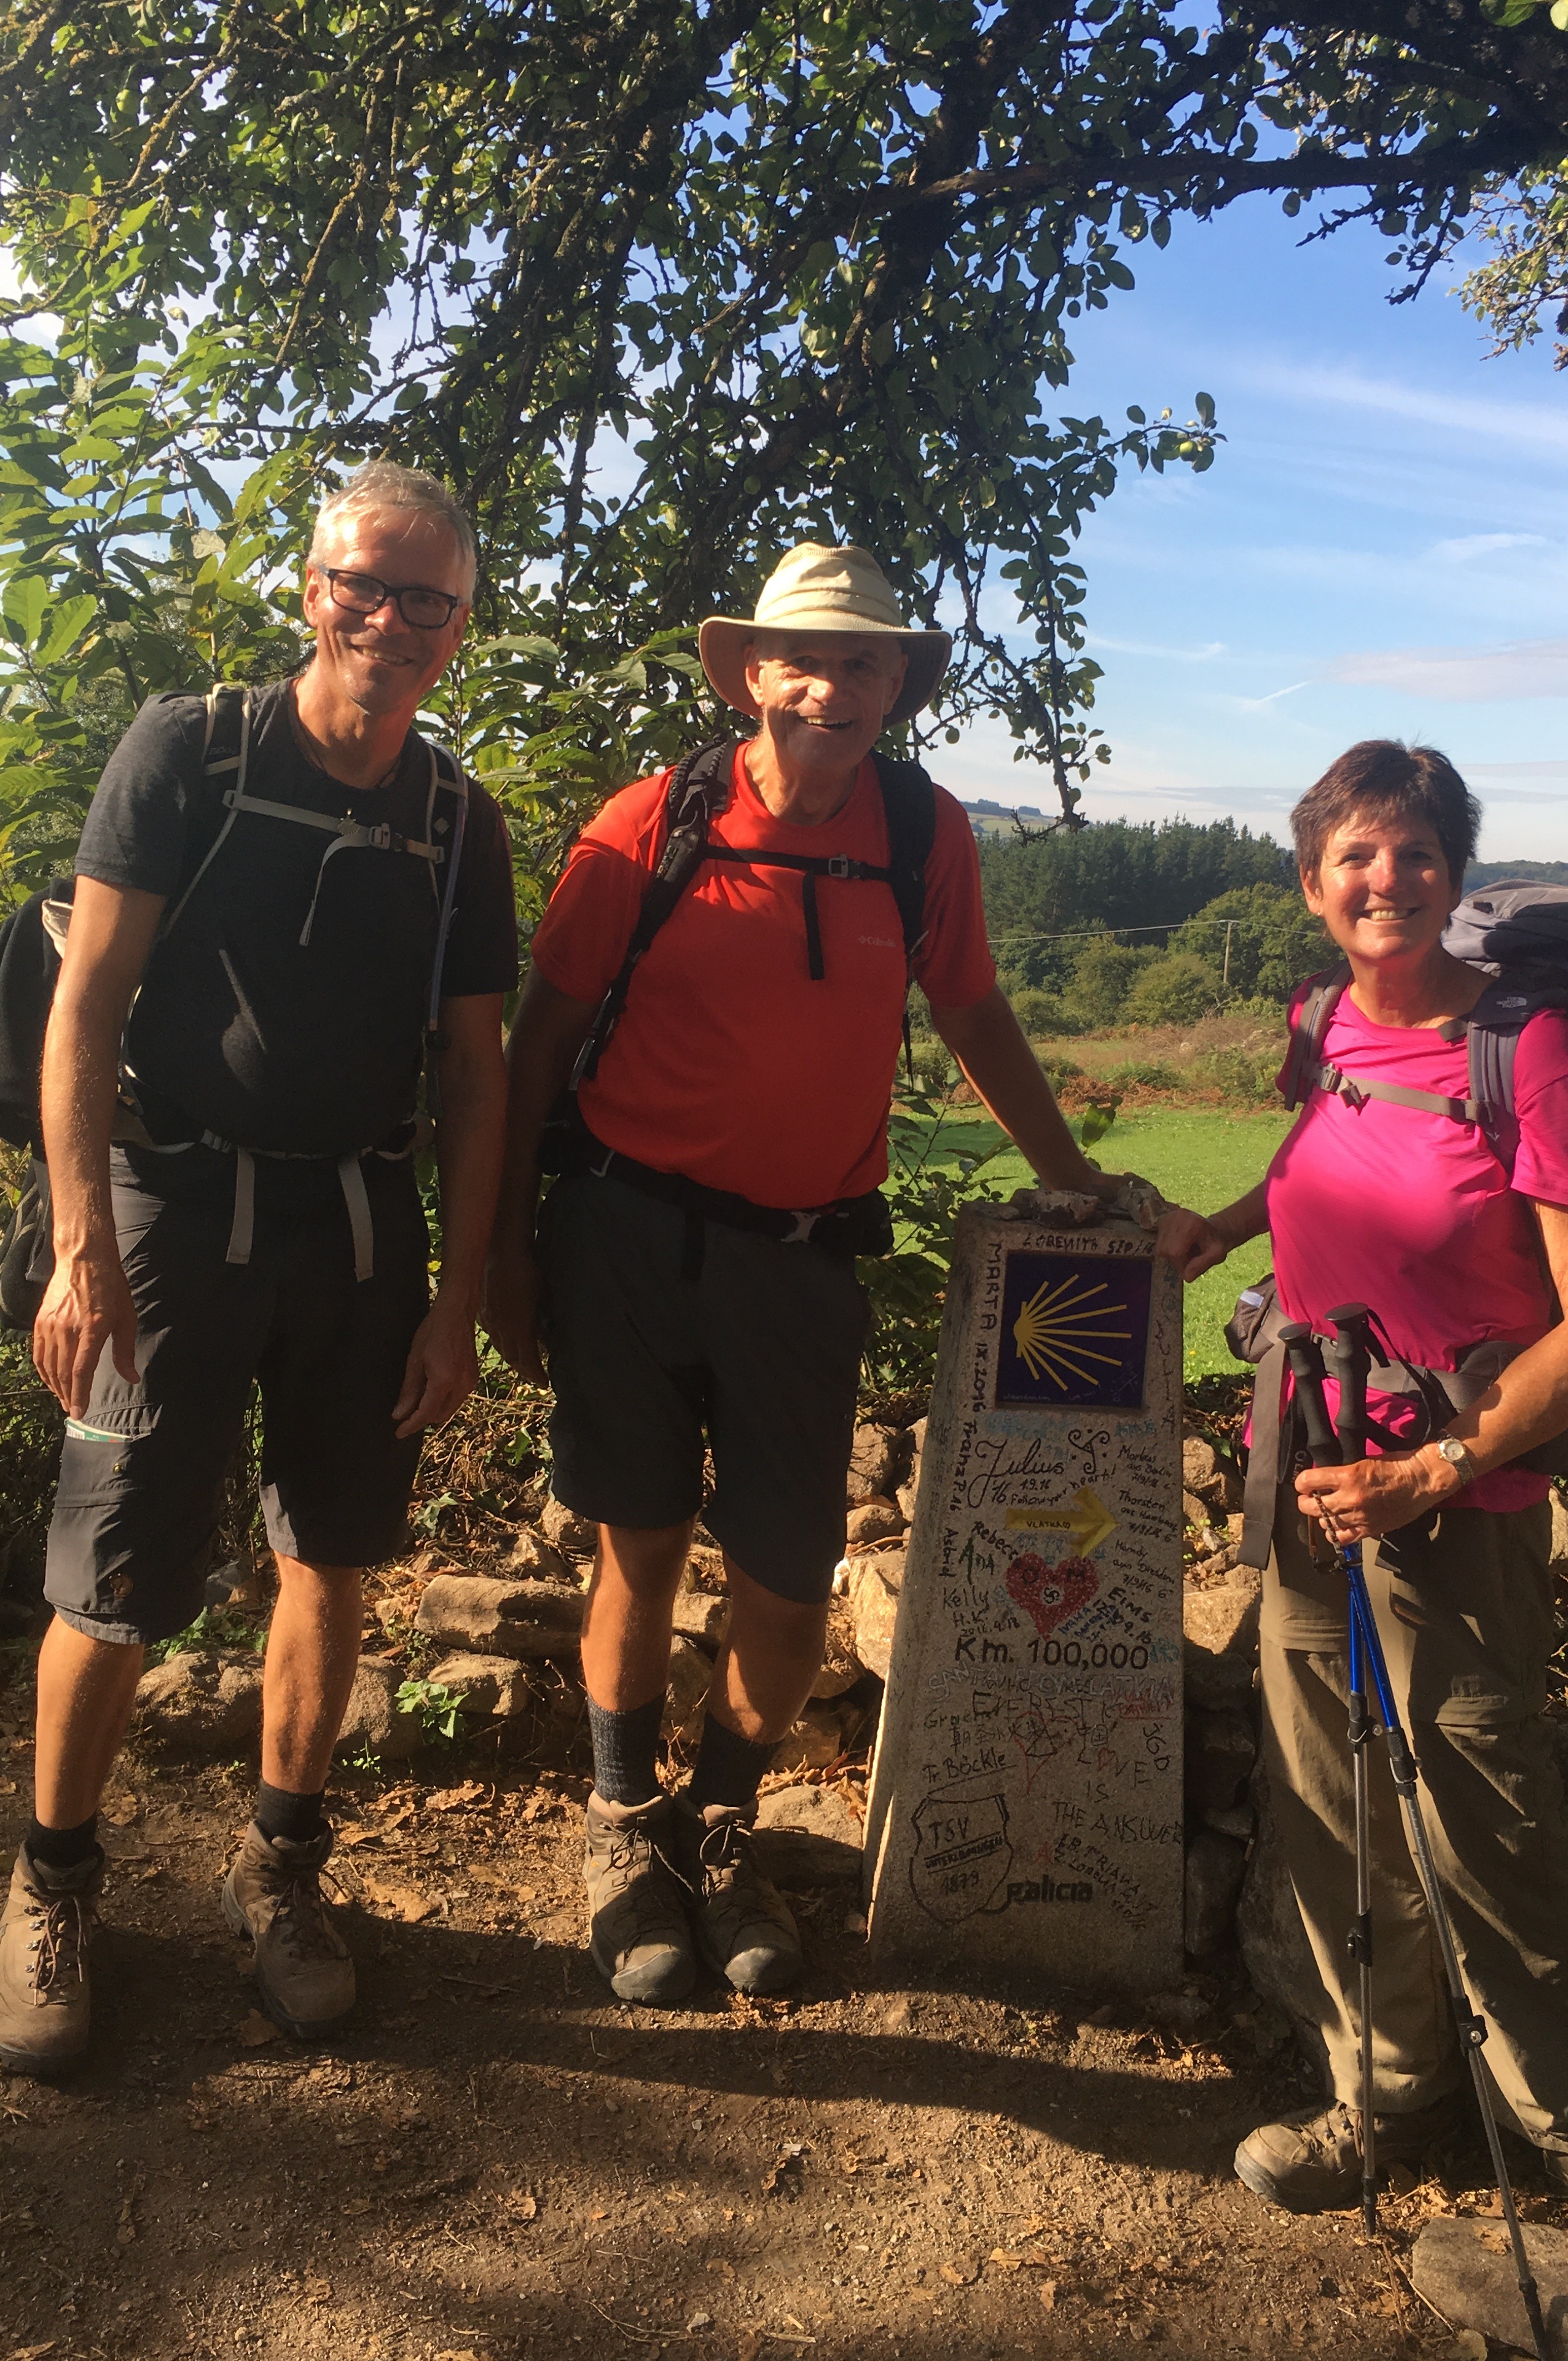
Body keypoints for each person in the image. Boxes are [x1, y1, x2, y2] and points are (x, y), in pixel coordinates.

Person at [484, 540, 1161, 2006]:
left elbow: (972, 1010)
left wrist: (1074, 1179)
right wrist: (493, 1264)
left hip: (800, 1264)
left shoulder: (922, 835)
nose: (833, 686)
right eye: (805, 658)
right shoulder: (650, 825)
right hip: (620, 1236)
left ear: (896, 686)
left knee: (789, 1576)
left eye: (865, 662)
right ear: (749, 674)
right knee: (639, 1546)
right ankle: (623, 1825)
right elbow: (535, 1041)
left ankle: (721, 1826)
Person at [1160, 740, 1568, 2309]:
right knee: (1329, 1805)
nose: (1384, 882)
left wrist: (1440, 1470)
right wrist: (1229, 1223)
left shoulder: (1526, 1056)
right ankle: (1375, 2102)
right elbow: (1324, 1144)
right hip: (1304, 1476)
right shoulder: (1326, 1022)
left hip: (1448, 1504)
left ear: (1454, 877)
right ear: (1311, 880)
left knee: (1492, 1829)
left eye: (1414, 857)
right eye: (1354, 856)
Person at [0, 462, 516, 2069]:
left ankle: (282, 1877)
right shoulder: (191, 747)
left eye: (430, 600)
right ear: (311, 587)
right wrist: (81, 1250)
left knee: (331, 1556)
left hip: (358, 1229)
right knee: (116, 1563)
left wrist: (462, 1290)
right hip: (164, 1212)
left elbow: (481, 1073)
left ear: (461, 630)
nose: (393, 620)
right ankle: (51, 1887)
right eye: (367, 583)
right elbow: (87, 1001)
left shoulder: (453, 817)